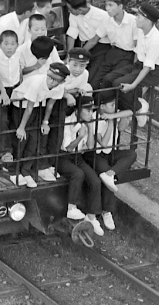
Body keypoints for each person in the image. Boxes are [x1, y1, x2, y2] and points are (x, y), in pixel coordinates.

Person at [83, 91, 139, 232]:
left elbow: (122, 127)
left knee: (131, 154)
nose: (115, 107)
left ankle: (111, 173)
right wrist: (110, 122)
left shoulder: (112, 115)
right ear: (101, 106)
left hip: (110, 153)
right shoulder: (95, 118)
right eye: (111, 105)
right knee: (107, 179)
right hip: (96, 154)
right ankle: (106, 210)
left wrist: (120, 118)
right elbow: (104, 144)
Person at [10, 62, 70, 187]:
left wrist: (45, 122)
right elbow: (28, 109)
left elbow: (50, 105)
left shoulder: (59, 87)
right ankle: (14, 171)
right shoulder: (37, 83)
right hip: (21, 105)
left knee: (34, 140)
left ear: (62, 82)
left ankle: (26, 170)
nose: (51, 82)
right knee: (21, 139)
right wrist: (21, 127)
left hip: (37, 105)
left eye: (55, 80)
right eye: (50, 77)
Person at [103, 3, 159, 112]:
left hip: (154, 71)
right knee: (108, 78)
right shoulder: (141, 30)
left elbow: (148, 67)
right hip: (140, 64)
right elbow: (138, 54)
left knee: (118, 84)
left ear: (148, 21)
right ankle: (109, 106)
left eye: (139, 16)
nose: (135, 19)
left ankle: (138, 108)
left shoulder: (157, 40)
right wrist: (131, 72)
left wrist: (133, 85)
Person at [56, 95, 105, 231]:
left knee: (95, 181)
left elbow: (90, 146)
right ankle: (71, 207)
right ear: (78, 110)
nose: (90, 114)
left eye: (91, 111)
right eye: (87, 111)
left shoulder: (87, 123)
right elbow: (69, 147)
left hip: (78, 157)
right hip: (64, 157)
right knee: (78, 174)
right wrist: (80, 137)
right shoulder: (68, 121)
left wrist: (89, 130)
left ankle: (91, 217)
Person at [84, 0, 137, 89]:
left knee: (109, 80)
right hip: (113, 53)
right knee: (93, 81)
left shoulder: (133, 21)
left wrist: (135, 67)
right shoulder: (107, 20)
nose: (107, 8)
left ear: (120, 6)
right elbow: (94, 40)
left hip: (128, 56)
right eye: (106, 5)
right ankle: (93, 102)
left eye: (110, 5)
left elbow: (138, 47)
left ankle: (108, 103)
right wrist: (80, 52)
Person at [0, 29, 21, 163]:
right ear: (0, 44)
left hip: (15, 89)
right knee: (2, 120)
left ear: (17, 45)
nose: (9, 47)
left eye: (13, 44)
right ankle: (4, 152)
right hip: (0, 91)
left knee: (16, 119)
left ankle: (17, 152)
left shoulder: (18, 56)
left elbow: (21, 71)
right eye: (6, 43)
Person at [65, 0, 112, 81]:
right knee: (74, 75)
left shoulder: (102, 16)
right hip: (84, 46)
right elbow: (72, 34)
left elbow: (94, 40)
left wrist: (80, 53)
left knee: (90, 77)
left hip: (101, 49)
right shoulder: (74, 14)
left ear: (80, 10)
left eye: (70, 9)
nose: (69, 11)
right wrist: (69, 55)